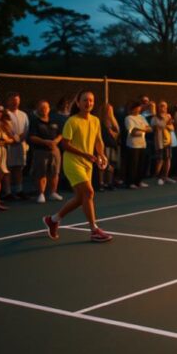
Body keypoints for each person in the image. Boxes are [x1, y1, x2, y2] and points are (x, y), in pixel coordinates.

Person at [43, 90, 111, 243]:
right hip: (73, 162)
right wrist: (84, 154)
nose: (89, 103)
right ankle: (94, 230)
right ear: (78, 103)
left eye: (91, 100)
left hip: (88, 163)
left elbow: (98, 141)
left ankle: (53, 220)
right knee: (89, 192)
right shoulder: (71, 121)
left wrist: (101, 154)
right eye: (85, 100)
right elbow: (65, 144)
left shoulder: (95, 120)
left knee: (81, 198)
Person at [28, 99, 63, 203]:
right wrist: (45, 142)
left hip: (54, 150)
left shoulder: (54, 120)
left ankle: (53, 192)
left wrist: (55, 142)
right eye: (42, 108)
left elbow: (61, 134)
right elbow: (32, 137)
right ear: (38, 109)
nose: (44, 110)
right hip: (40, 151)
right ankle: (41, 194)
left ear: (49, 109)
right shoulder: (34, 121)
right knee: (41, 173)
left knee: (55, 172)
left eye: (46, 108)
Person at [2, 93, 30, 201]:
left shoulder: (23, 114)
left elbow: (26, 129)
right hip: (8, 145)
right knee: (8, 168)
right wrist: (13, 139)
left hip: (20, 145)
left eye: (17, 101)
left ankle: (19, 190)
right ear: (8, 101)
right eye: (13, 100)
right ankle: (7, 192)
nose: (15, 103)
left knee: (19, 168)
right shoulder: (5, 114)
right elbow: (5, 128)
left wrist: (20, 139)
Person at [123, 100, 151, 188]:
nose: (139, 109)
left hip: (142, 144)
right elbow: (133, 132)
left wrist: (140, 129)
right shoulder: (128, 118)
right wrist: (143, 130)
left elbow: (149, 129)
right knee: (133, 164)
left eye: (140, 107)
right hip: (133, 145)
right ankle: (130, 183)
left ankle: (139, 181)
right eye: (138, 107)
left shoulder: (141, 117)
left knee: (141, 164)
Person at [151, 100, 175, 184]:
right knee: (160, 159)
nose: (164, 108)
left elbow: (172, 128)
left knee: (168, 158)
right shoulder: (155, 117)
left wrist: (168, 125)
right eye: (162, 106)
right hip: (159, 141)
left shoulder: (168, 116)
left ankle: (165, 176)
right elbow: (154, 127)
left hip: (168, 141)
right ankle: (157, 177)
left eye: (165, 106)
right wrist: (166, 124)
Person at [100, 102, 121, 191]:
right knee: (103, 165)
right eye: (108, 110)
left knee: (111, 165)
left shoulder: (113, 121)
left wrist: (113, 132)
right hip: (104, 145)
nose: (110, 111)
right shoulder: (100, 121)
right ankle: (101, 183)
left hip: (112, 145)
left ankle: (109, 182)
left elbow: (117, 133)